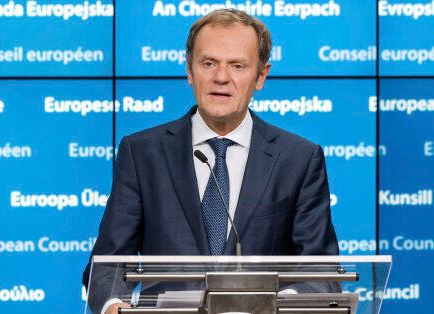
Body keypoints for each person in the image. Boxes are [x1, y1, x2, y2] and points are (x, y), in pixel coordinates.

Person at [83, 8, 338, 314]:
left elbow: (321, 272)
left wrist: (274, 306)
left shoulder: (298, 159)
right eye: (208, 63)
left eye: (238, 66)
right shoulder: (142, 153)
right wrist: (114, 306)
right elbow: (107, 265)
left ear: (261, 76)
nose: (221, 78)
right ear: (190, 71)